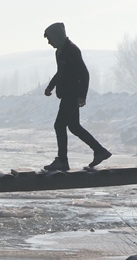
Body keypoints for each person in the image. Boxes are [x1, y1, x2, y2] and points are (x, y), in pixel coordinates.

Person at [42, 22, 111, 172]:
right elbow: (60, 72)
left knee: (59, 125)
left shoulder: (72, 50)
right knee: (73, 126)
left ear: (57, 36)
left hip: (72, 95)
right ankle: (100, 151)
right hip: (66, 94)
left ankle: (62, 161)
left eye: (50, 39)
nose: (49, 42)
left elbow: (84, 74)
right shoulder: (60, 51)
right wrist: (50, 86)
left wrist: (82, 96)